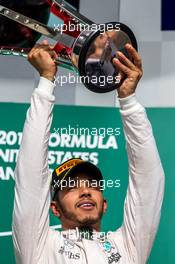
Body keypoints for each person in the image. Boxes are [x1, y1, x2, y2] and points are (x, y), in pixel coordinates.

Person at [12, 40, 165, 264]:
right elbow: (30, 176)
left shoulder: (127, 246)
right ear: (55, 208)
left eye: (93, 185)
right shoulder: (39, 247)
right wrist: (45, 83)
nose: (86, 192)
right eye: (72, 186)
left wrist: (129, 101)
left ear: (104, 204)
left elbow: (148, 181)